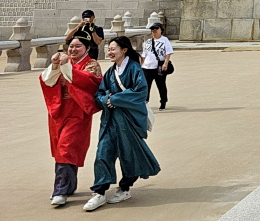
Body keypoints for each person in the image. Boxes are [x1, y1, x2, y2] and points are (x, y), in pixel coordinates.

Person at [84, 37, 161, 211]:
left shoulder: (134, 69)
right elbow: (99, 94)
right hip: (110, 120)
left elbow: (140, 92)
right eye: (108, 49)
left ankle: (125, 188)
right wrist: (106, 100)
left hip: (128, 120)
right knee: (103, 153)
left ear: (124, 50)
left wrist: (115, 99)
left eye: (113, 49)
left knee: (129, 155)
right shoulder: (111, 72)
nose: (109, 52)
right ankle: (99, 192)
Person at [40, 37, 102, 206]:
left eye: (78, 46)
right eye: (71, 46)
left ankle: (60, 190)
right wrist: (54, 66)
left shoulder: (92, 65)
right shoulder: (62, 62)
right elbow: (47, 80)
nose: (73, 50)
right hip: (59, 111)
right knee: (62, 148)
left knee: (66, 147)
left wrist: (66, 65)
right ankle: (68, 186)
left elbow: (87, 82)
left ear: (87, 48)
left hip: (77, 112)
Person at [141, 23, 174, 110]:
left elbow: (168, 53)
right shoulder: (147, 42)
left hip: (158, 67)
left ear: (161, 30)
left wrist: (165, 63)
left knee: (161, 85)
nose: (154, 31)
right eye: (152, 29)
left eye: (156, 28)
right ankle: (145, 102)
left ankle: (163, 102)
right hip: (147, 67)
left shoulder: (165, 40)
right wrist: (140, 65)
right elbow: (143, 55)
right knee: (146, 86)